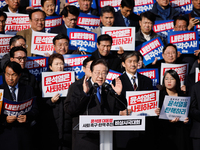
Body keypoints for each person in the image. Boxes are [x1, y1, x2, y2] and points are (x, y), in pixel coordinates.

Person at [65, 58, 127, 150]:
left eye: (103, 73)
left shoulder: (109, 88)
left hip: (106, 139)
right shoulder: (78, 87)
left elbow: (122, 107)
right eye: (97, 72)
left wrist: (118, 94)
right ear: (91, 72)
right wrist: (84, 94)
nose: (100, 76)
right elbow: (70, 110)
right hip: (85, 139)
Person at [112, 51, 153, 150]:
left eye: (135, 61)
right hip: (126, 129)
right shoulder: (117, 81)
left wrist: (154, 110)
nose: (133, 64)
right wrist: (118, 94)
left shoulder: (147, 80)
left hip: (143, 129)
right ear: (123, 64)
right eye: (130, 61)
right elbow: (113, 105)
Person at [0, 61, 38, 150]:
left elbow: (35, 110)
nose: (10, 78)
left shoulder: (28, 89)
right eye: (8, 74)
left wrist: (27, 117)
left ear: (19, 75)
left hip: (24, 137)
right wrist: (5, 119)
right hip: (5, 136)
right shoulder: (0, 90)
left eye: (13, 75)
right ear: (4, 74)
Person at [37, 53, 71, 150]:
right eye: (56, 64)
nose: (59, 66)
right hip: (50, 126)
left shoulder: (71, 81)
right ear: (50, 67)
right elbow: (38, 105)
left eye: (61, 63)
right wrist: (50, 101)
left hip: (66, 126)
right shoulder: (42, 83)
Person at [156, 69, 190, 150]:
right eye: (166, 78)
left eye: (172, 78)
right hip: (165, 133)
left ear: (177, 80)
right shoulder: (159, 96)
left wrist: (187, 120)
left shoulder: (184, 96)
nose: (169, 81)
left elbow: (189, 114)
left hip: (181, 132)